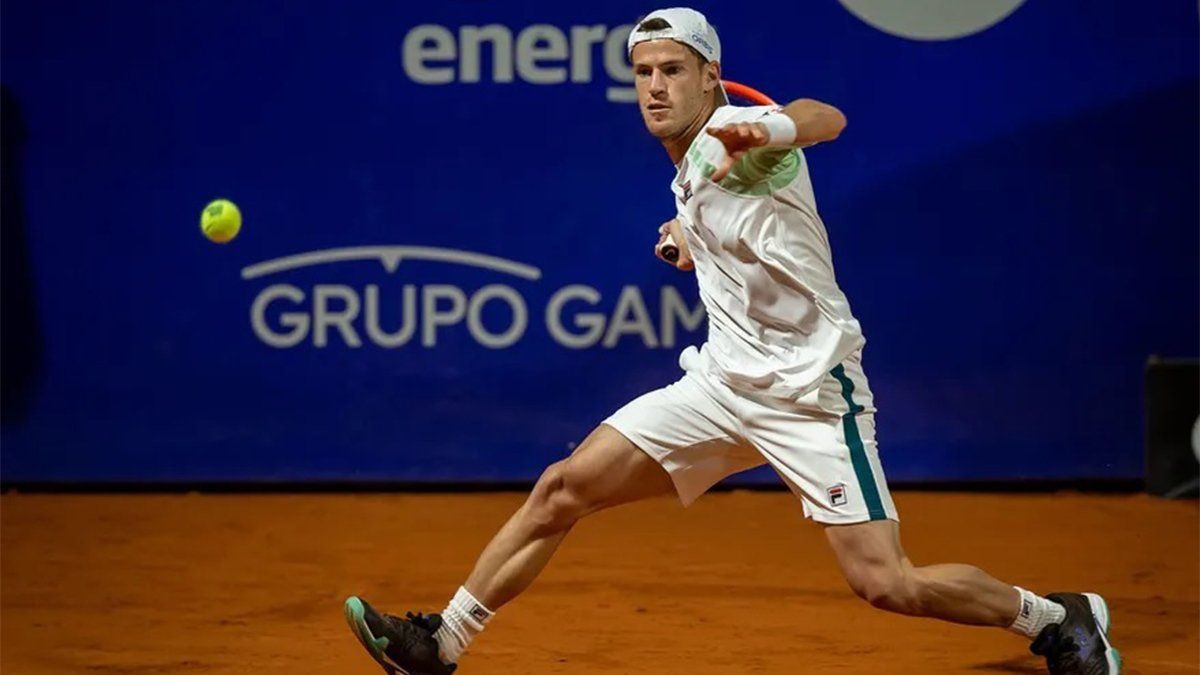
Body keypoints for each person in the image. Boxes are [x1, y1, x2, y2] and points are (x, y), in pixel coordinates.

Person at [343, 8, 1120, 675]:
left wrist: (767, 125)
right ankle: (441, 643)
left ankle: (1054, 620)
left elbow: (826, 118)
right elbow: (728, 222)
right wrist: (689, 237)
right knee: (562, 487)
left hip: (811, 392)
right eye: (643, 71)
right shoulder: (688, 164)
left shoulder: (742, 140)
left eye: (673, 70)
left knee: (887, 583)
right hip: (719, 385)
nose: (655, 86)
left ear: (711, 76)